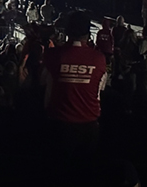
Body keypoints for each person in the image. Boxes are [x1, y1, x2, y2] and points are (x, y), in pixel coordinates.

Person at [41, 10, 107, 151]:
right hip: (88, 125)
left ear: (67, 32)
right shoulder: (99, 59)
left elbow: (43, 82)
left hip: (59, 123)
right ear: (88, 34)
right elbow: (100, 88)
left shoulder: (53, 55)